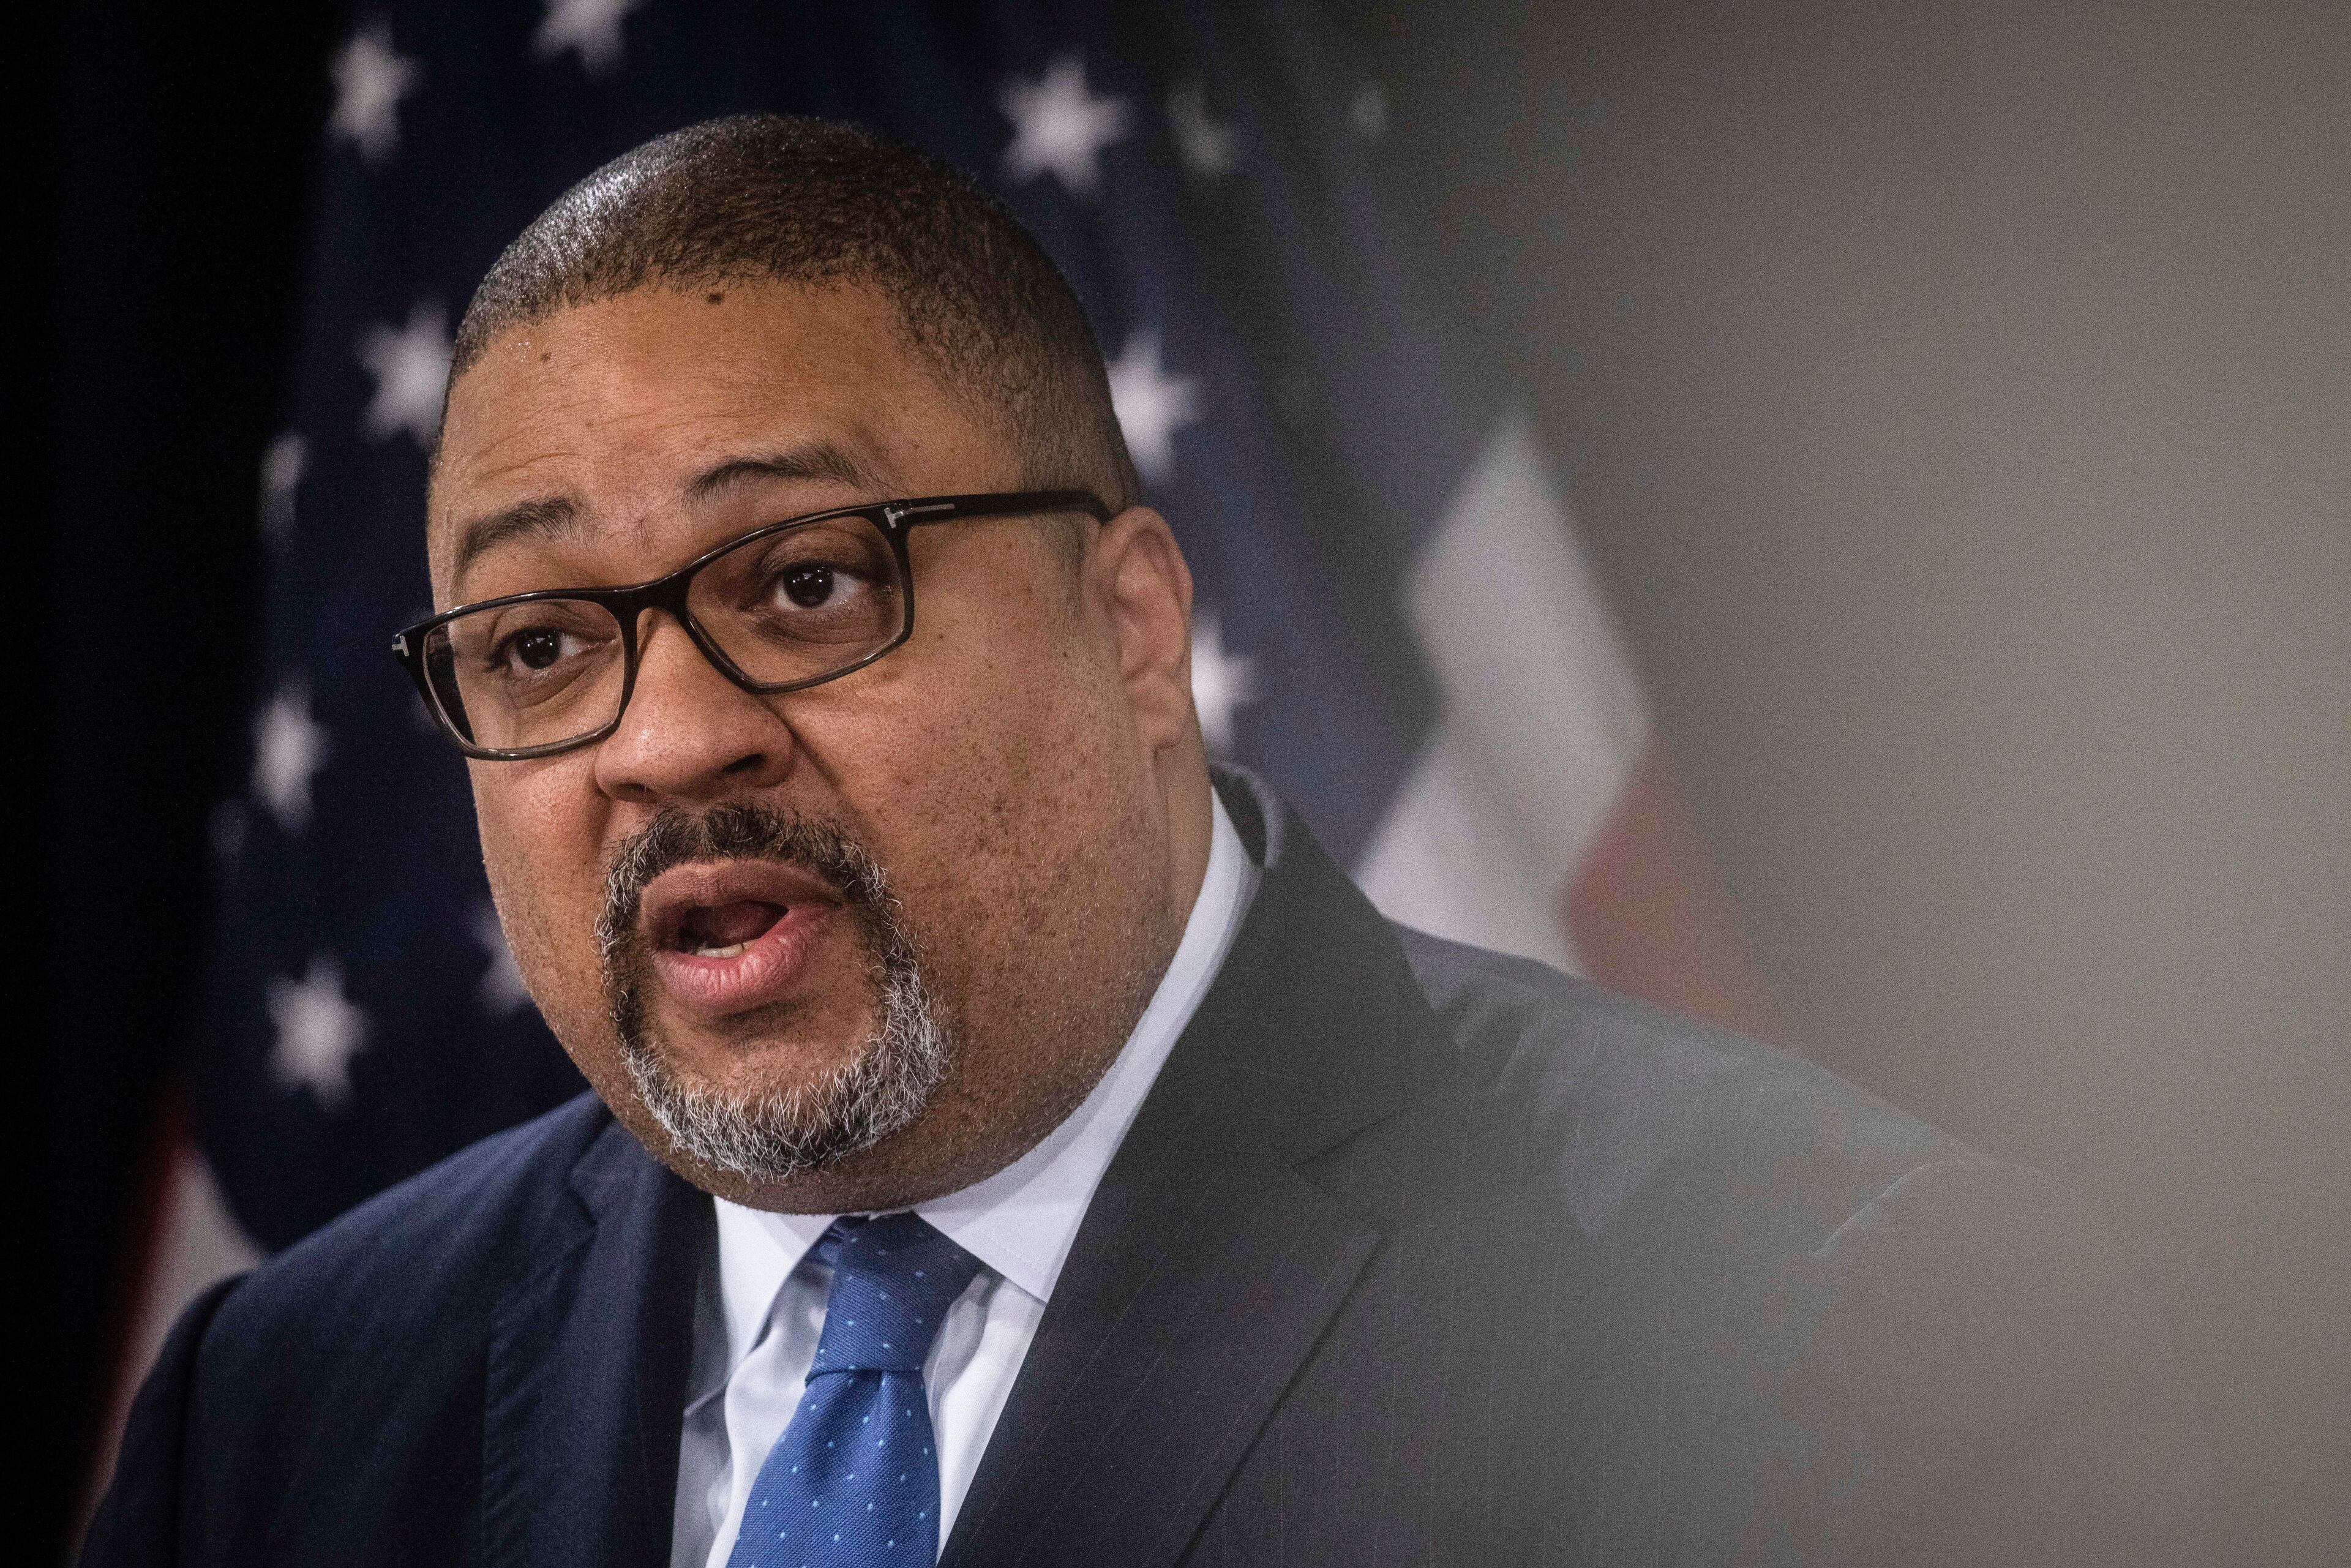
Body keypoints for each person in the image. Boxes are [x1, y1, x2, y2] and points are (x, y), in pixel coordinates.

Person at [84, 114, 2209, 1568]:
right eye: (542, 641)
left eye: (809, 585)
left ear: (1131, 628)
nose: (666, 738)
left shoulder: (1835, 1342)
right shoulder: (278, 1416)